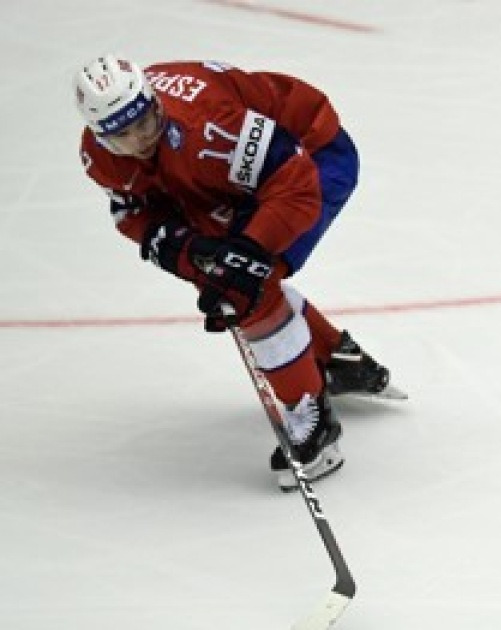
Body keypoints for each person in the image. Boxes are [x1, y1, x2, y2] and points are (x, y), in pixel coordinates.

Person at [74, 54, 399, 491]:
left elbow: (296, 184)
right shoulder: (101, 157)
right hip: (222, 179)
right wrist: (189, 253)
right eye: (121, 137)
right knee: (226, 272)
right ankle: (333, 360)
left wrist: (246, 251)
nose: (138, 142)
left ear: (154, 103)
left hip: (312, 157)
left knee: (246, 285)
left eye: (145, 124)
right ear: (99, 135)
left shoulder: (210, 127)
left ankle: (313, 424)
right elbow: (137, 214)